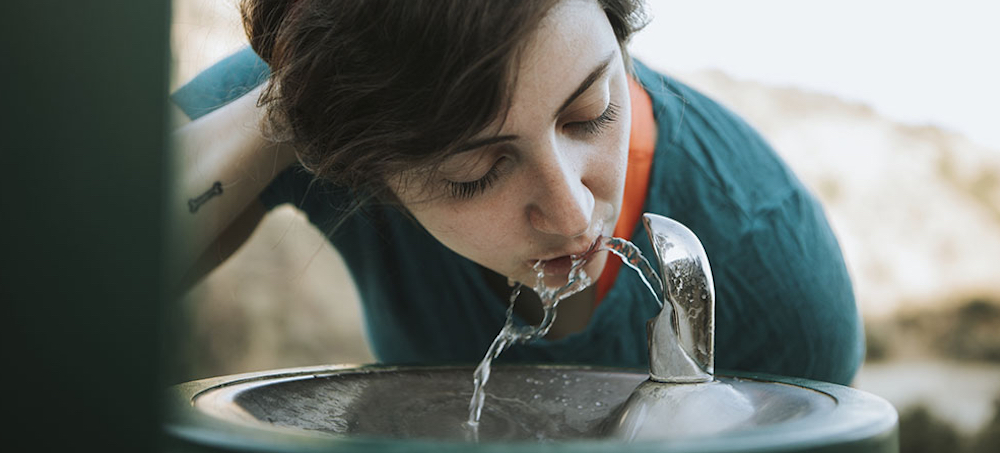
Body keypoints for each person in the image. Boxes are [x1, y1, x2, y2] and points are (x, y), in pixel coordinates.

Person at [170, 0, 864, 385]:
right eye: (476, 172)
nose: (570, 213)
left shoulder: (773, 279)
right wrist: (292, 116)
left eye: (590, 109)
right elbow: (81, 288)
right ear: (368, 171)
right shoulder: (326, 105)